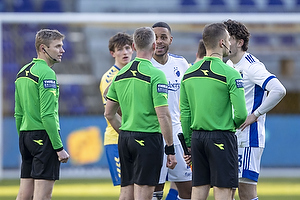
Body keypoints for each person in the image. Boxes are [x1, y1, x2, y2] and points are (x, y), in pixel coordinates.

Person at [104, 27, 177, 200]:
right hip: (148, 138)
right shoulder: (156, 74)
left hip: (126, 139)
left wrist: (125, 131)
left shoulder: (120, 74)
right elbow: (163, 115)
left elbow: (109, 113)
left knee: (126, 192)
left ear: (134, 47)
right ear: (153, 45)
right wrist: (170, 147)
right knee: (144, 193)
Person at [180, 23, 248, 200]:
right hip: (221, 136)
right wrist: (228, 125)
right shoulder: (230, 73)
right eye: (228, 40)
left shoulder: (188, 74)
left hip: (196, 139)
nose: (230, 45)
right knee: (224, 190)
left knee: (199, 188)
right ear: (221, 42)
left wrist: (188, 142)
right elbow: (241, 114)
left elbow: (185, 114)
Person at [224, 19, 286, 200]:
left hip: (249, 137)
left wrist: (255, 114)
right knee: (228, 188)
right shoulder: (229, 65)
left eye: (229, 39)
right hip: (234, 135)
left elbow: (279, 89)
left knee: (246, 191)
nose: (225, 43)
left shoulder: (252, 66)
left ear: (240, 42)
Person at [14, 29, 70, 200]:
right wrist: (59, 148)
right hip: (43, 137)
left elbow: (18, 114)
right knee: (43, 196)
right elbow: (47, 115)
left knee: (24, 194)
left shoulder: (22, 71)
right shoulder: (46, 73)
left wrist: (24, 137)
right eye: (58, 46)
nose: (62, 50)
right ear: (43, 48)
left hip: (26, 136)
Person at [151, 22, 192, 200]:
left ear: (170, 40)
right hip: (153, 135)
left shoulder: (181, 63)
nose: (159, 41)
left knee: (188, 191)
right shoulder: (144, 66)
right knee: (155, 191)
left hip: (178, 135)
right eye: (155, 37)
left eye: (163, 37)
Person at [99, 32, 133, 186]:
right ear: (112, 53)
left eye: (127, 48)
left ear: (133, 49)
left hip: (134, 138)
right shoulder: (109, 78)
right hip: (117, 139)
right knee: (127, 190)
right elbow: (112, 112)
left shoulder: (135, 73)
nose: (124, 52)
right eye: (119, 49)